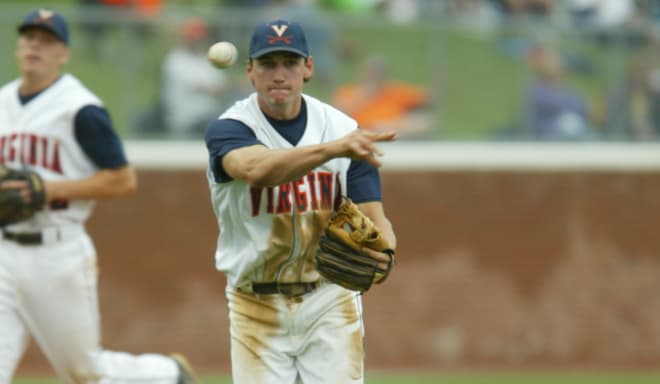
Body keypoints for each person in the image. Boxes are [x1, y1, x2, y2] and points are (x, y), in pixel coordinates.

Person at [0, 9, 196, 383]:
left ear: (64, 53)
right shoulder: (2, 102)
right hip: (4, 251)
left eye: (46, 41)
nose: (34, 47)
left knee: (86, 373)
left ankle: (168, 373)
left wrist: (50, 189)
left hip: (56, 252)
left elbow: (123, 180)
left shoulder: (80, 108)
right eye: (28, 38)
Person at [204, 19, 397, 383]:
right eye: (267, 64)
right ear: (250, 71)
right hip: (254, 304)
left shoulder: (341, 128)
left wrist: (385, 249)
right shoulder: (230, 128)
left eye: (289, 63)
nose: (279, 74)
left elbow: (375, 216)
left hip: (329, 300)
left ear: (308, 68)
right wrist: (334, 148)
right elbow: (256, 169)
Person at [331, 55, 433, 139]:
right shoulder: (348, 92)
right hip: (359, 137)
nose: (373, 77)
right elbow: (336, 113)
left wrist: (389, 126)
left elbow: (427, 98)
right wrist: (364, 96)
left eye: (378, 74)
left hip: (392, 133)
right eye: (370, 73)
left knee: (422, 121)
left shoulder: (394, 91)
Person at [161, 17, 230, 137]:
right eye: (191, 38)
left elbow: (222, 86)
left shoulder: (207, 59)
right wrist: (225, 87)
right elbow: (205, 88)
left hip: (209, 118)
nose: (195, 41)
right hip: (186, 120)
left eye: (198, 38)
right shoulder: (176, 59)